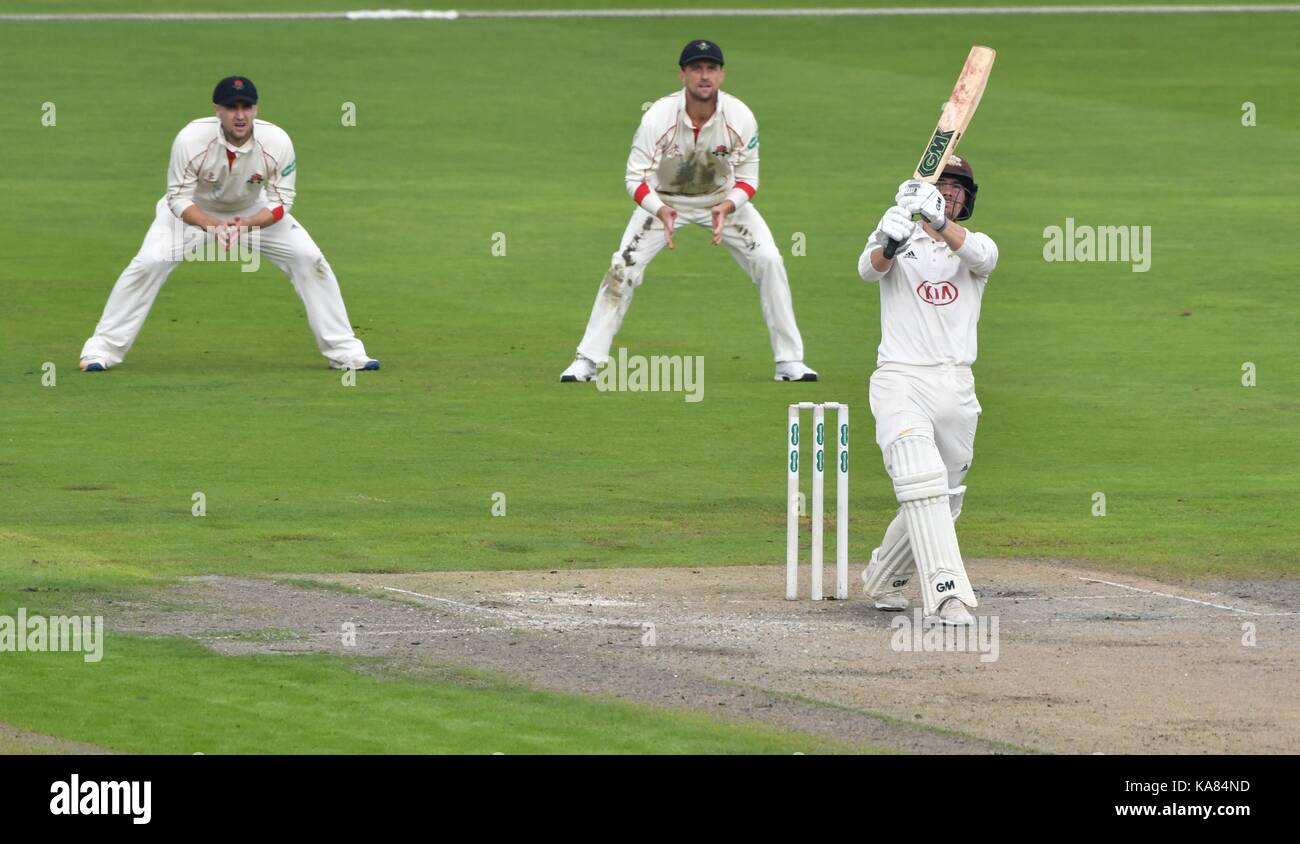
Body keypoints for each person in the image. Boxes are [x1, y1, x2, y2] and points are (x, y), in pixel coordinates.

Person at [78, 76, 378, 372]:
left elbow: (281, 201)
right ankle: (100, 350)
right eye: (231, 107)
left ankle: (345, 352)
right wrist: (211, 224)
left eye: (246, 107)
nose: (240, 115)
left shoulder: (277, 141)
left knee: (309, 258)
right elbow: (178, 198)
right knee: (149, 263)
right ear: (217, 110)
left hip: (252, 209)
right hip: (195, 209)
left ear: (256, 109)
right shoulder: (191, 139)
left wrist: (246, 223)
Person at [559, 40, 816, 383]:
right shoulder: (657, 118)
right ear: (683, 75)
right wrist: (661, 210)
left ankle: (789, 362)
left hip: (721, 202)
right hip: (665, 201)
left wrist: (727, 206)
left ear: (722, 75)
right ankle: (587, 361)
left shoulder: (741, 117)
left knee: (769, 260)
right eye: (696, 68)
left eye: (711, 68)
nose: (704, 75)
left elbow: (750, 178)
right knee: (623, 266)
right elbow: (634, 177)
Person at [856, 157, 996, 625]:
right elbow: (868, 270)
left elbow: (982, 258)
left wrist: (938, 222)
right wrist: (890, 243)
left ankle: (887, 575)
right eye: (943, 187)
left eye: (957, 190)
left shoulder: (975, 246)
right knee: (919, 477)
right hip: (900, 377)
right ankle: (948, 592)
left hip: (956, 384)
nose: (951, 195)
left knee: (946, 495)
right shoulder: (895, 233)